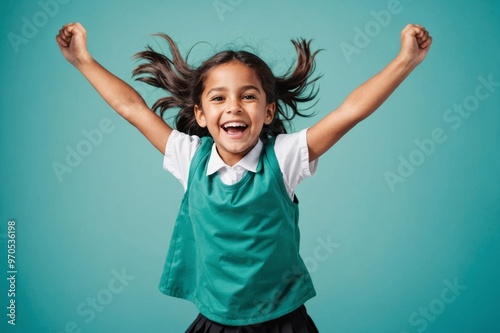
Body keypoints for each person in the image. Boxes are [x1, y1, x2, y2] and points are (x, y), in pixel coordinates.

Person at [56, 22, 432, 332]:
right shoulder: (189, 157)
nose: (233, 106)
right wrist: (82, 61)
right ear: (201, 115)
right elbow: (131, 107)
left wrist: (405, 61)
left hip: (283, 320)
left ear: (268, 112)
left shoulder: (284, 158)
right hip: (216, 321)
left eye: (248, 96)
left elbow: (350, 111)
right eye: (218, 98)